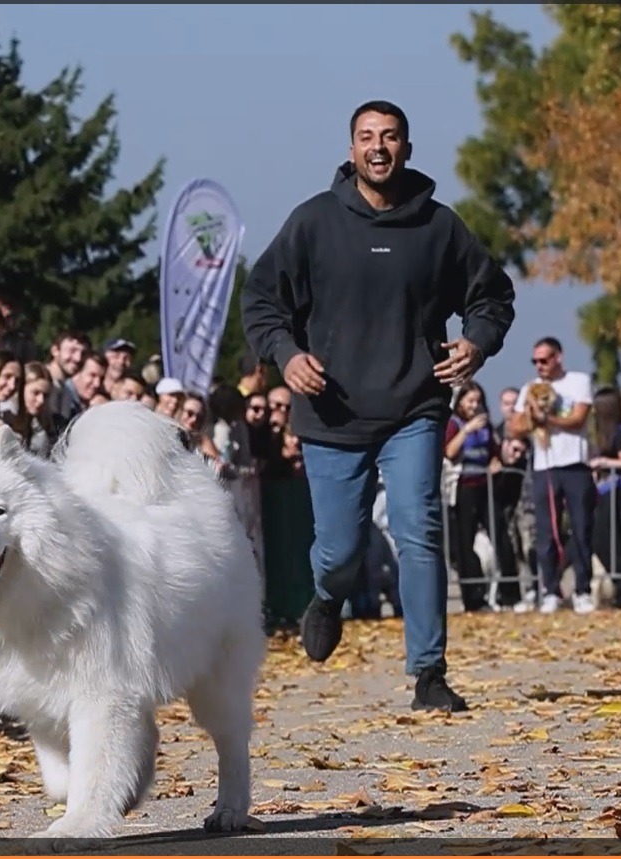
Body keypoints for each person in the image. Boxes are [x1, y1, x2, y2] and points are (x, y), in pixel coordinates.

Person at [240, 99, 516, 712]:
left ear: (408, 149)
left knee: (419, 529)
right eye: (367, 137)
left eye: (390, 137)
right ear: (350, 150)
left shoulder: (440, 228)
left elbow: (492, 296)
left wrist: (475, 344)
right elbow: (261, 300)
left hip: (414, 407)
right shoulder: (312, 223)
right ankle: (328, 595)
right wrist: (286, 355)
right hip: (331, 413)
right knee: (339, 550)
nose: (379, 147)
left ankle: (429, 673)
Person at [508, 337, 596, 614]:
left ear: (558, 357)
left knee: (581, 528)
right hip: (545, 465)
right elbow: (515, 427)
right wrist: (532, 417)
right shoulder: (530, 389)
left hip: (574, 464)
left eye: (544, 360)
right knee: (547, 531)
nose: (539, 366)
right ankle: (550, 589)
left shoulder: (578, 381)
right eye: (535, 361)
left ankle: (582, 589)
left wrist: (549, 419)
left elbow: (579, 418)